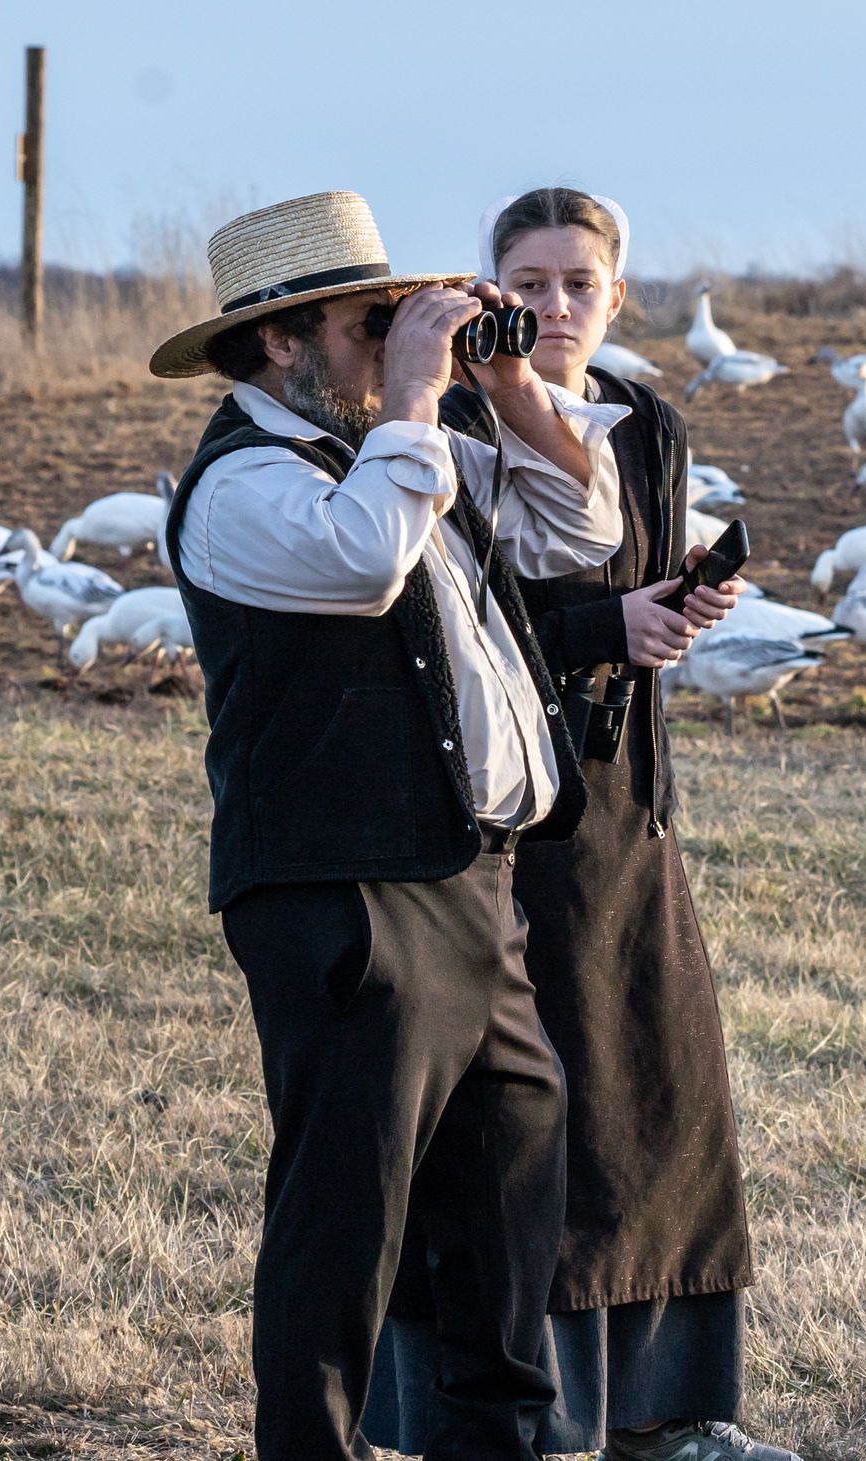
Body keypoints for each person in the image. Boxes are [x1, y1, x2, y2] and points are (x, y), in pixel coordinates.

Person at [149, 190, 629, 1461]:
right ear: (276, 342)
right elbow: (363, 563)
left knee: (508, 1189)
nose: (393, 348)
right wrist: (416, 394)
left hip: (472, 873)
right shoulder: (243, 483)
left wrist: (512, 387)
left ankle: (497, 1446)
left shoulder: (395, 444)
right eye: (372, 327)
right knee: (346, 1208)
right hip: (341, 885)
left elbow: (581, 526)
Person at [365, 189, 800, 1461]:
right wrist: (600, 631)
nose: (553, 305)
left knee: (653, 1101)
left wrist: (669, 612)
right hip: (491, 814)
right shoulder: (436, 422)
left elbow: (631, 586)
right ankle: (516, 1416)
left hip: (624, 809)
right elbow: (436, 628)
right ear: (486, 286)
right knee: (515, 1124)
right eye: (527, 280)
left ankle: (665, 1415)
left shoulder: (645, 419)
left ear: (618, 295)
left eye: (577, 282)